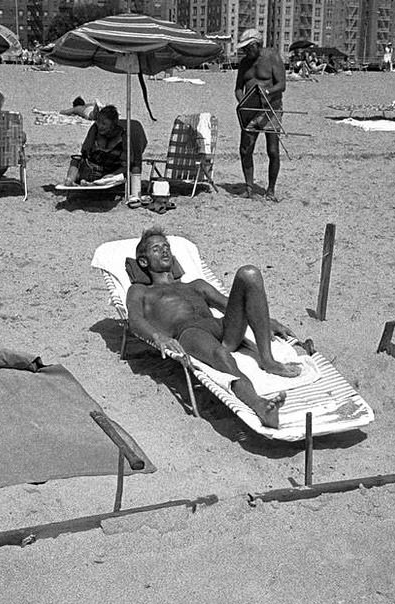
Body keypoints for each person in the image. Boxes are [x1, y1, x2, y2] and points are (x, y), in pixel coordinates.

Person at [126, 227, 302, 428]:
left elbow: (232, 305)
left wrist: (268, 321)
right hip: (189, 332)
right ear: (143, 261)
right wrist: (159, 337)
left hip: (221, 327)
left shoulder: (196, 285)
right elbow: (135, 320)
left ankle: (268, 360)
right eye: (156, 249)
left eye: (166, 246)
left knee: (249, 273)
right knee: (220, 355)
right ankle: (260, 405)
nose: (164, 251)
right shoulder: (140, 291)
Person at [234, 28, 286, 201]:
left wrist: (267, 92)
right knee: (245, 150)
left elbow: (281, 85)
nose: (245, 52)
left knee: (272, 151)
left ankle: (270, 190)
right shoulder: (244, 64)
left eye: (247, 49)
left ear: (256, 45)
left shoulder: (272, 57)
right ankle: (249, 187)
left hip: (271, 110)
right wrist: (243, 103)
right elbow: (238, 89)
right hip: (250, 111)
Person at [63, 104, 127, 185]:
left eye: (104, 124)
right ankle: (70, 180)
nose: (100, 126)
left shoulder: (123, 136)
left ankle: (87, 181)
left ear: (113, 125)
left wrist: (113, 175)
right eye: (98, 122)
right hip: (91, 168)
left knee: (123, 169)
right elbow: (85, 151)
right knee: (76, 160)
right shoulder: (95, 130)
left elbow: (126, 164)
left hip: (110, 171)